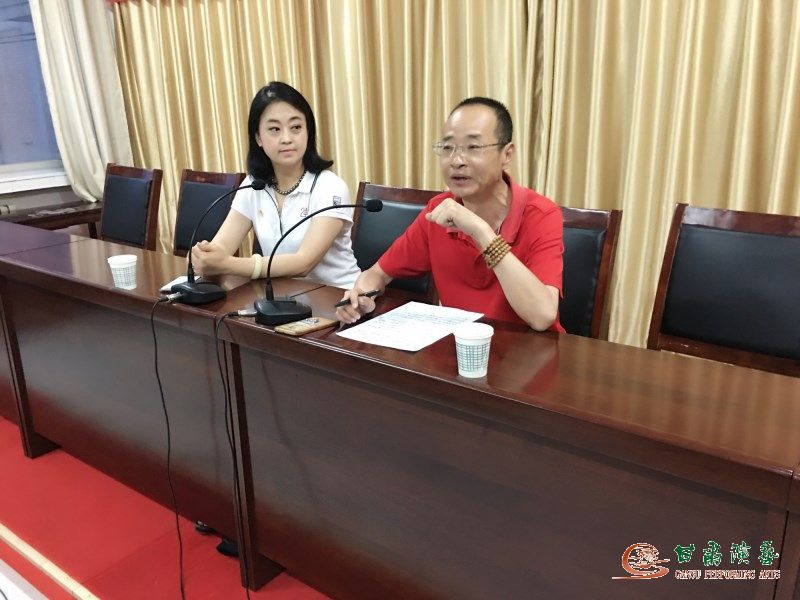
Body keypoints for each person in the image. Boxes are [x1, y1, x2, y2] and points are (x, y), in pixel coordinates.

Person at [336, 97, 564, 332]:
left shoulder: (541, 215)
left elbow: (542, 316)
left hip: (529, 349)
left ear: (507, 154)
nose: (456, 161)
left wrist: (480, 232)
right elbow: (377, 273)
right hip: (462, 347)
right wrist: (360, 295)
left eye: (473, 147)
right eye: (447, 148)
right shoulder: (438, 211)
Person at [191, 81, 360, 289]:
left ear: (309, 132)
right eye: (274, 129)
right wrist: (205, 256)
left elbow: (304, 263)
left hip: (339, 297)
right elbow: (222, 246)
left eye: (296, 127)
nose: (287, 138)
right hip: (284, 297)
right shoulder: (253, 185)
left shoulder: (330, 187)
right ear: (258, 138)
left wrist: (227, 264)